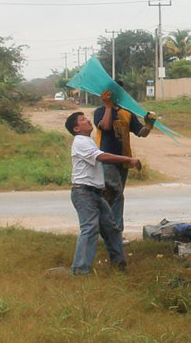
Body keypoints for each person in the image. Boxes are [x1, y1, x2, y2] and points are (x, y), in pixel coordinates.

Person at [64, 111, 142, 275]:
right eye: (83, 120)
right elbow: (101, 157)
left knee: (111, 228)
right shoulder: (80, 142)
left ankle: (119, 265)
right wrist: (128, 160)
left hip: (95, 194)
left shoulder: (88, 141)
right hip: (83, 193)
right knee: (90, 228)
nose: (87, 120)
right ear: (76, 128)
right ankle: (80, 271)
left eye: (86, 117)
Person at [93, 81, 155, 231]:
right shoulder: (100, 111)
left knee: (112, 196)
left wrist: (149, 125)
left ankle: (106, 230)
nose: (114, 95)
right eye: (111, 92)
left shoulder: (127, 113)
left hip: (124, 161)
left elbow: (141, 133)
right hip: (107, 160)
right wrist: (108, 106)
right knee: (116, 195)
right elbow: (106, 126)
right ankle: (115, 232)